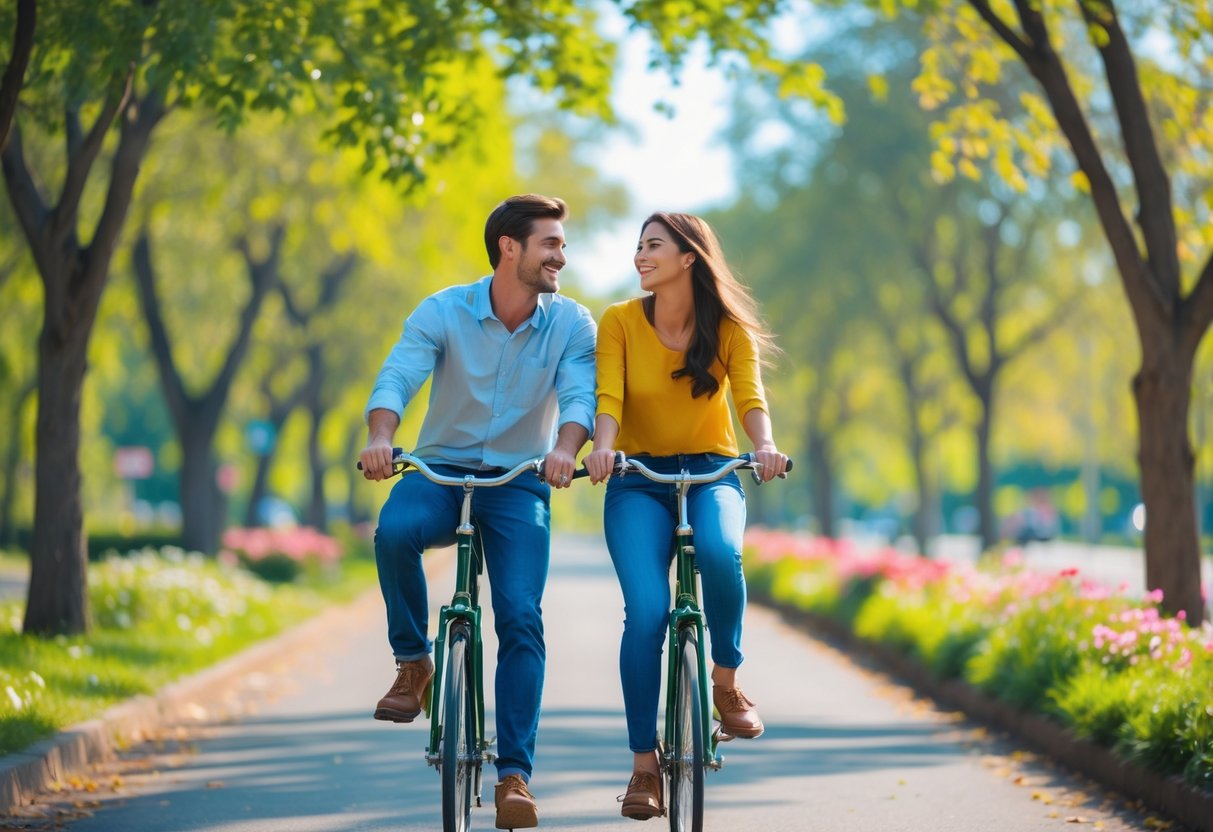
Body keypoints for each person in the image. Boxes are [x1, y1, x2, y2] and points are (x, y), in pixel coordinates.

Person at [359, 194, 596, 830]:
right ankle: (414, 664)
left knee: (520, 615)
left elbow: (578, 394)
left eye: (563, 246)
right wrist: (383, 436)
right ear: (509, 248)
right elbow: (399, 375)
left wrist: (566, 451)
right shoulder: (444, 310)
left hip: (520, 482)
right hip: (440, 471)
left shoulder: (572, 323)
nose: (561, 257)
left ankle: (514, 776)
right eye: (551, 244)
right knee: (395, 532)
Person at [583, 211, 788, 821]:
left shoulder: (727, 328)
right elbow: (609, 396)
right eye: (638, 245)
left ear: (689, 258)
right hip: (637, 476)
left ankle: (725, 682)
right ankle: (644, 768)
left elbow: (751, 396)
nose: (640, 255)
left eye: (653, 245)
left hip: (712, 470)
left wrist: (766, 446)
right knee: (646, 612)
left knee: (722, 554)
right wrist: (601, 446)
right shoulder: (619, 321)